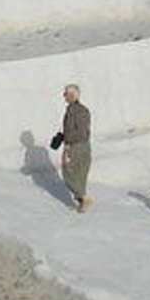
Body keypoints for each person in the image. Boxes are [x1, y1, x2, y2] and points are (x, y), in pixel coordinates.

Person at [53, 84, 93, 212]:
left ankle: (84, 199)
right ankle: (82, 200)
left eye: (66, 94)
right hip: (73, 145)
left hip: (78, 146)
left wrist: (67, 138)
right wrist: (61, 137)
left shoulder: (80, 111)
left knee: (69, 173)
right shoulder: (71, 110)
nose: (64, 96)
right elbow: (71, 129)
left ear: (73, 95)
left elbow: (82, 132)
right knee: (75, 174)